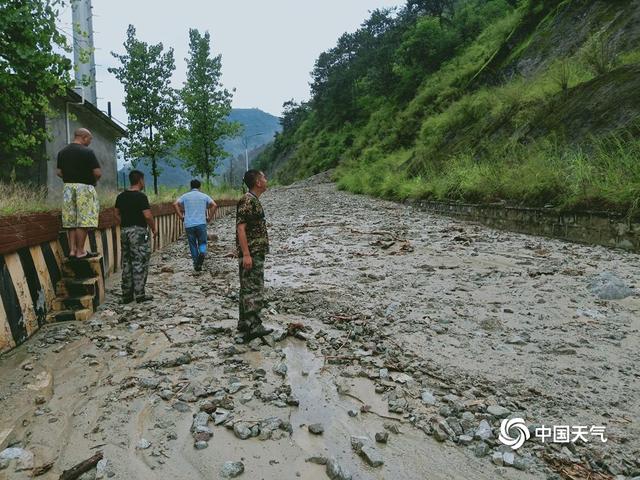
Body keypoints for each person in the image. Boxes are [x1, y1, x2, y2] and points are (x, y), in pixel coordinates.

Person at [236, 169, 273, 342]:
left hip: (253, 251)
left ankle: (244, 326)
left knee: (247, 288)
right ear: (258, 182)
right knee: (253, 289)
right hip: (252, 252)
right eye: (263, 177)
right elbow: (241, 228)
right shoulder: (248, 200)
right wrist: (246, 254)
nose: (266, 180)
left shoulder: (252, 200)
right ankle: (253, 326)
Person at [56, 128, 102, 259]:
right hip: (84, 188)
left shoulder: (62, 152)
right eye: (90, 139)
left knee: (71, 220)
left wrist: (70, 177)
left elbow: (59, 172)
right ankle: (81, 251)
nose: (90, 142)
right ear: (84, 137)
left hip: (68, 188)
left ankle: (72, 250)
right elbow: (98, 173)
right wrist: (92, 181)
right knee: (84, 220)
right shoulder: (88, 152)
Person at [114, 170, 157, 303]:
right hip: (138, 232)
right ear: (140, 180)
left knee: (127, 262)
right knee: (139, 261)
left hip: (124, 231)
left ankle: (126, 295)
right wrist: (154, 228)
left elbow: (116, 213)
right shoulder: (141, 197)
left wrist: (125, 223)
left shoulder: (121, 196)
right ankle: (139, 294)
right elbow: (148, 216)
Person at [173, 179, 217, 271]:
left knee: (192, 244)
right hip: (201, 223)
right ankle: (202, 252)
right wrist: (209, 217)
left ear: (191, 186)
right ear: (199, 187)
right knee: (202, 242)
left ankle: (196, 264)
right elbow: (214, 205)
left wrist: (181, 216)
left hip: (189, 224)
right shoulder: (204, 196)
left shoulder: (185, 196)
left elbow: (175, 204)